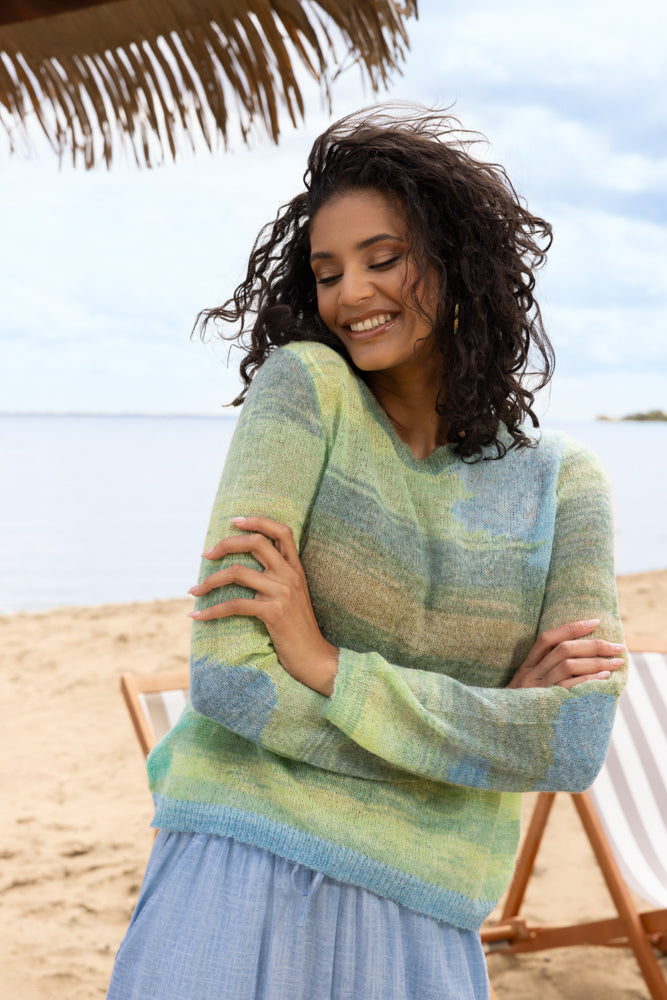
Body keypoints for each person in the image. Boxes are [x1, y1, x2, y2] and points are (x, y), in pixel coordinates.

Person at [106, 106, 627, 1000]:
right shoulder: (302, 393)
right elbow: (228, 678)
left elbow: (572, 742)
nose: (350, 295)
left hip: (425, 908)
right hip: (240, 867)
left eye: (382, 260)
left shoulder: (562, 484)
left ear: (458, 261)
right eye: (327, 271)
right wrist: (483, 730)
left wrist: (322, 663)